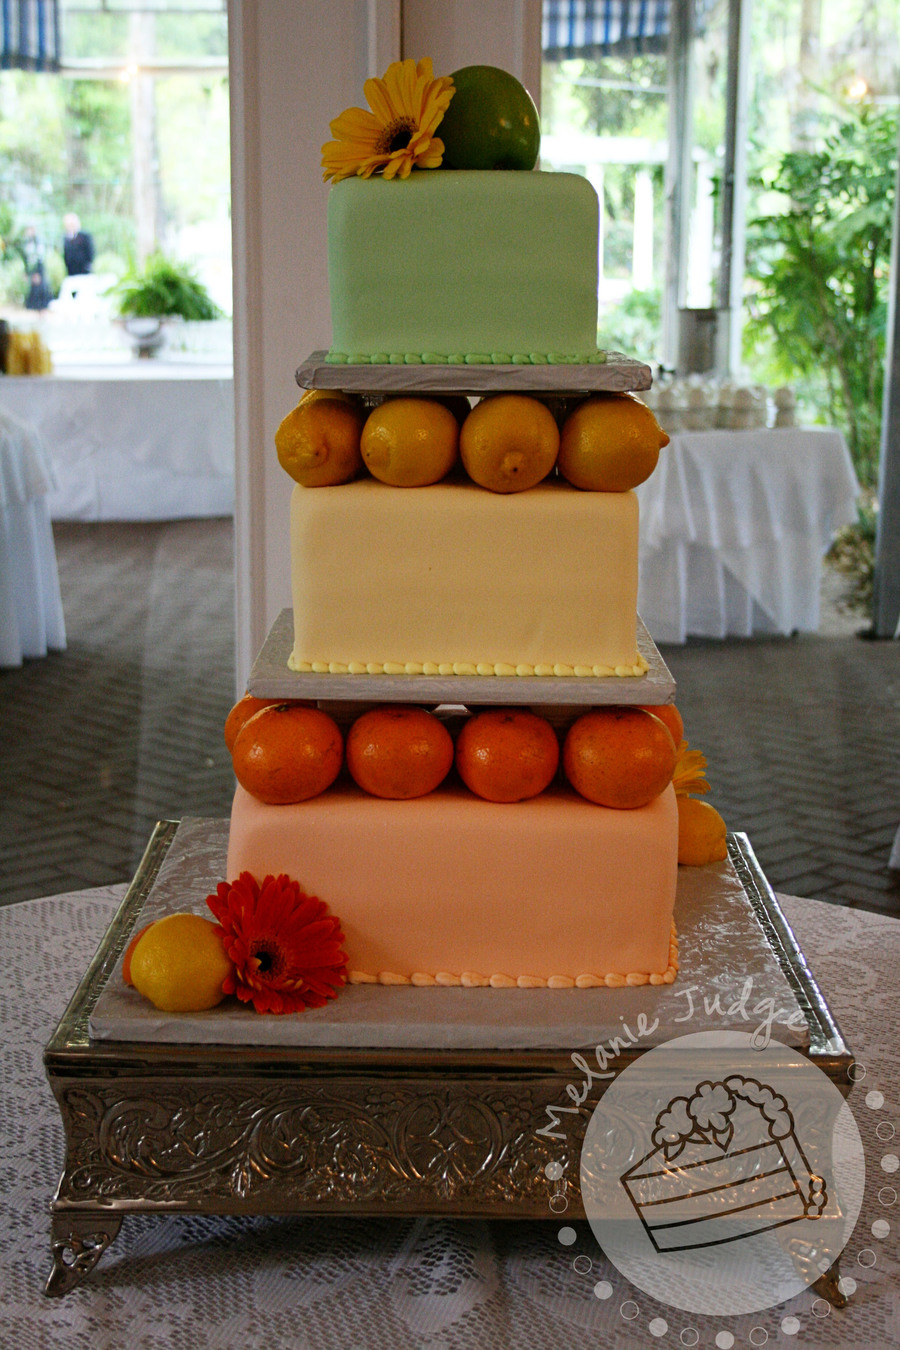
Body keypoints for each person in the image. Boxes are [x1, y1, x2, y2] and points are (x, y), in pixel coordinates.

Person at [19, 225, 52, 313]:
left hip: (39, 271)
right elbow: (26, 259)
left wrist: (37, 272)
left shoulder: (38, 242)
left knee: (41, 292)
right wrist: (26, 272)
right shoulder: (27, 243)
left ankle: (42, 313)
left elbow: (40, 258)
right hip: (32, 271)